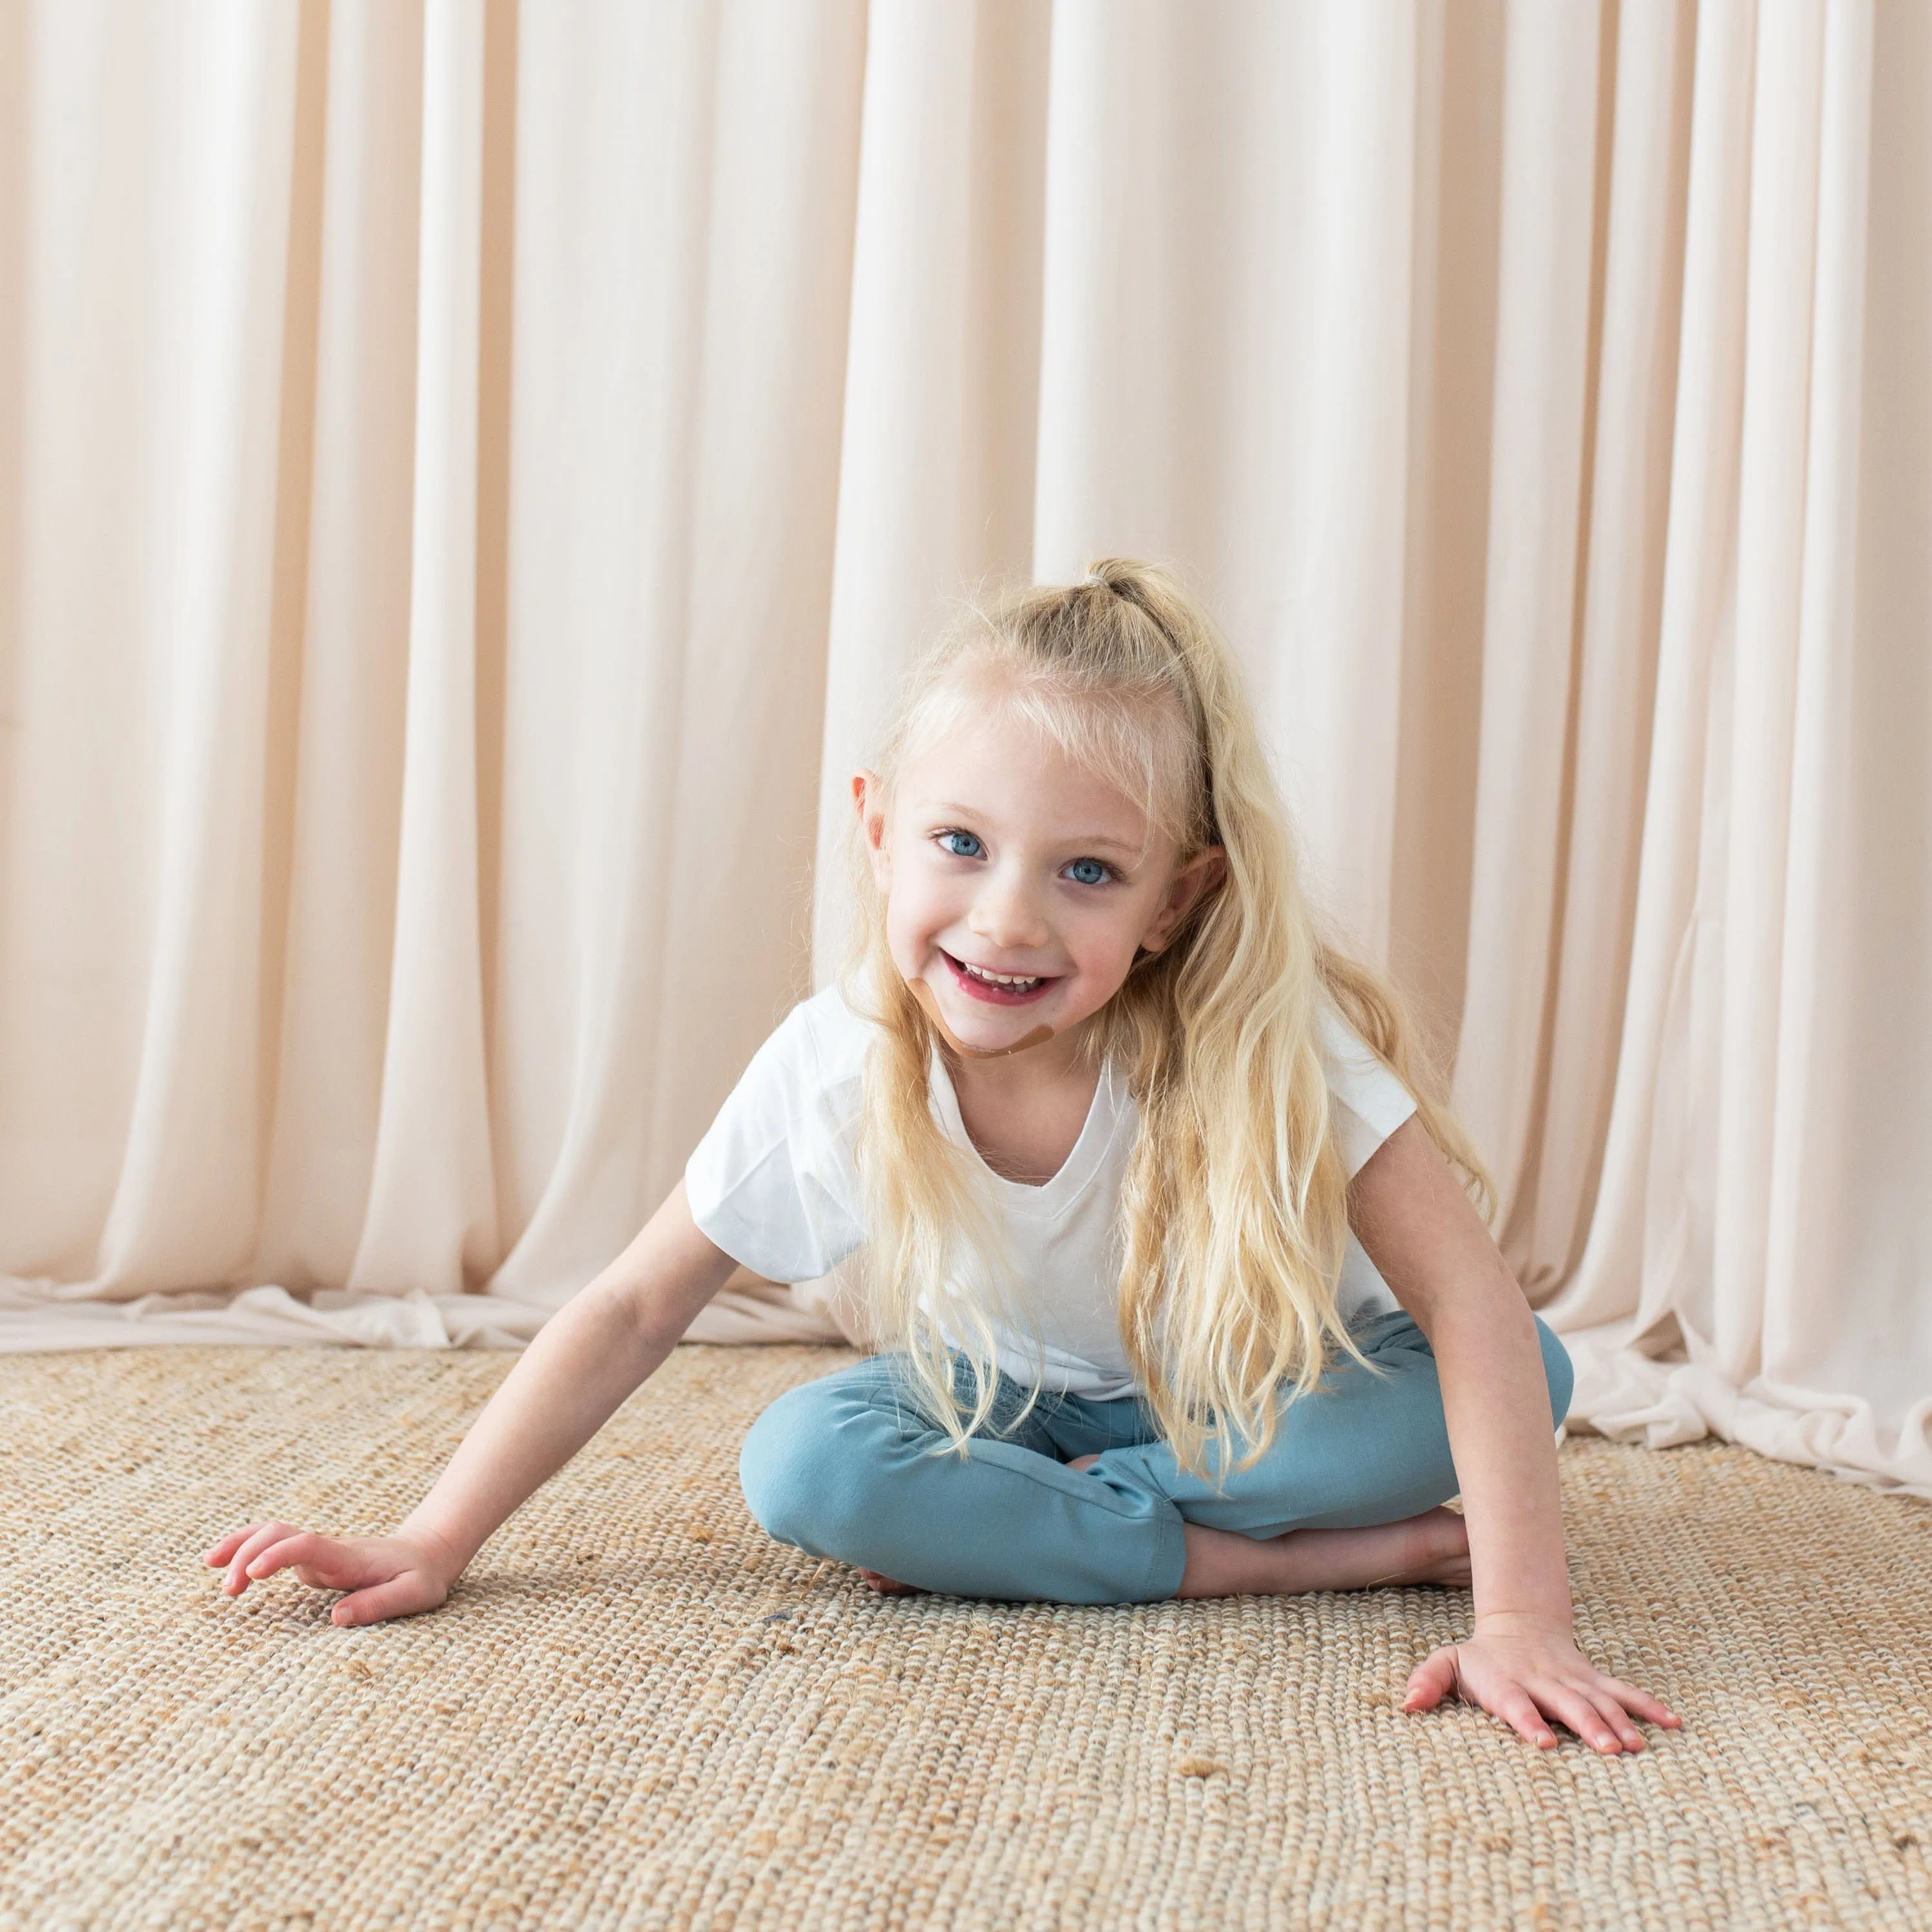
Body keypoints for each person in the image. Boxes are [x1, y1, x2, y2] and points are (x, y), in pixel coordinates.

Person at [206, 560, 1680, 1756]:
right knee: (809, 1463)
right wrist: (437, 1534)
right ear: (879, 831)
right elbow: (633, 1307)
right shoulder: (841, 1059)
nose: (1009, 920)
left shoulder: (1263, 1045)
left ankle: (1066, 1537)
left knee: (1529, 1376)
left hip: (1251, 1391)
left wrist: (1523, 1619)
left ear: (1178, 900)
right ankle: (1308, 1558)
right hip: (1003, 1407)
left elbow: (1474, 1307)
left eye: (1087, 872)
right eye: (961, 844)